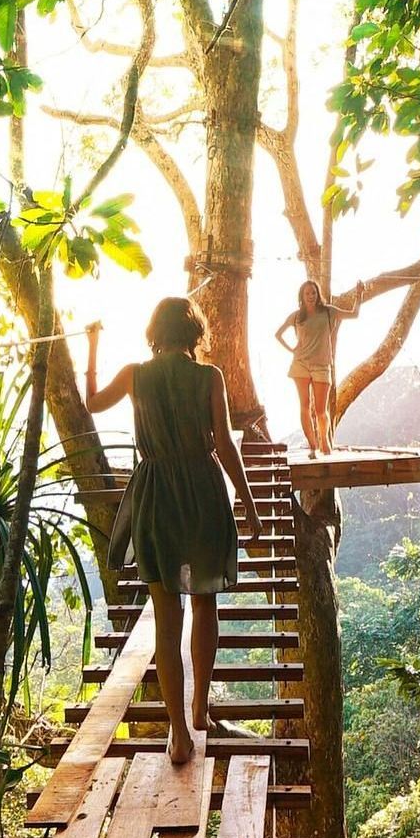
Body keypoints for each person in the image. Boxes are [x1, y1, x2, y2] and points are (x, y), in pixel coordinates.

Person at [84, 298, 262, 764]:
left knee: (167, 616)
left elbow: (92, 402)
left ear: (155, 332)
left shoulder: (135, 375)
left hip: (156, 493)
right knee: (205, 600)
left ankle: (179, 734)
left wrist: (92, 345)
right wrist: (249, 505)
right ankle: (201, 707)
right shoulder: (209, 377)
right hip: (202, 490)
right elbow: (224, 444)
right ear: (194, 334)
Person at [275, 279, 362, 457]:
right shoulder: (297, 316)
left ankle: (324, 442)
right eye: (307, 293)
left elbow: (354, 314)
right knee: (305, 406)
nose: (311, 296)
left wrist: (359, 294)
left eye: (313, 293)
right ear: (302, 296)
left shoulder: (329, 311)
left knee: (321, 411)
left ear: (318, 294)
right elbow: (278, 334)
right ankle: (312, 446)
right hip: (300, 364)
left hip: (322, 365)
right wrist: (291, 349)